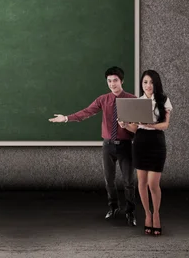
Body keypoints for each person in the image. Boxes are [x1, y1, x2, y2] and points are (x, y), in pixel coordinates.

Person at [48, 66, 138, 226]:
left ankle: (130, 211)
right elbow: (86, 112)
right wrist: (67, 118)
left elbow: (138, 126)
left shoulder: (132, 99)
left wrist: (128, 125)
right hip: (108, 146)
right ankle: (113, 207)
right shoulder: (102, 99)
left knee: (128, 181)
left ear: (122, 81)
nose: (112, 84)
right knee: (109, 180)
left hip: (125, 145)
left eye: (115, 80)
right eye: (109, 81)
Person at [119, 70, 172, 236]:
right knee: (141, 182)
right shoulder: (138, 102)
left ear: (156, 83)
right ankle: (147, 215)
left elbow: (165, 125)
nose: (147, 86)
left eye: (150, 82)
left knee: (153, 184)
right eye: (144, 82)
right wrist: (125, 125)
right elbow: (135, 128)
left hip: (156, 141)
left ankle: (156, 214)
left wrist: (151, 125)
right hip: (140, 142)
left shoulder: (163, 100)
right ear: (141, 84)